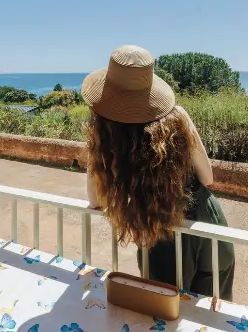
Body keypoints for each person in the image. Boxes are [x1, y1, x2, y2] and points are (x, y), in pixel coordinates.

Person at [82, 45, 235, 300]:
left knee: (164, 317)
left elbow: (97, 200)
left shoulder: (109, 133)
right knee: (215, 316)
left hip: (162, 230)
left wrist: (96, 147)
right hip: (209, 223)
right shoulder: (178, 116)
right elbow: (207, 178)